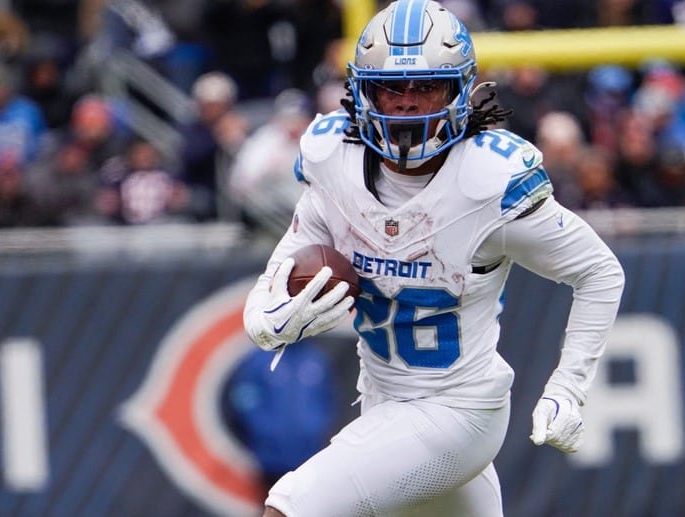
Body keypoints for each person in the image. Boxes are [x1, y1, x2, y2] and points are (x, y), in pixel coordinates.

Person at [240, 2, 626, 516]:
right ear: (361, 92)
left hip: (460, 410)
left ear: (461, 90)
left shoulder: (488, 181)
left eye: (426, 87)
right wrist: (264, 319)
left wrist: (570, 386)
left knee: (291, 506)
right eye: (391, 89)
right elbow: (284, 264)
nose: (406, 104)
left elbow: (599, 272)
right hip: (382, 397)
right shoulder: (334, 161)